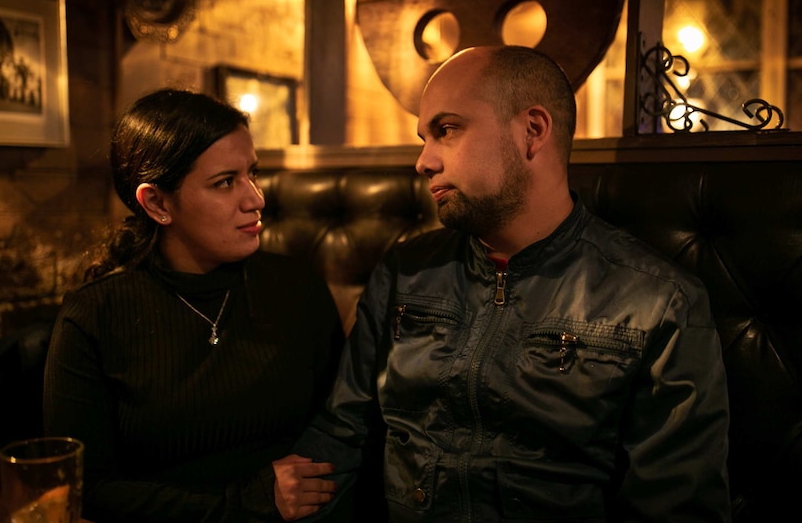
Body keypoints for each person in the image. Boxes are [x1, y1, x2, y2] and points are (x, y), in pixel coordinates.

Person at [273, 45, 732, 522]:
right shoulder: (406, 270)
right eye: (423, 138)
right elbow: (342, 431)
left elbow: (678, 504)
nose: (424, 161)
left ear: (532, 131)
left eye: (446, 130)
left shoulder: (657, 301)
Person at [43, 88, 345, 523]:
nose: (255, 199)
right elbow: (81, 487)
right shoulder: (96, 315)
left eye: (252, 174)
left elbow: (341, 428)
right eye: (226, 182)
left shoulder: (295, 287)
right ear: (158, 203)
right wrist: (244, 504)